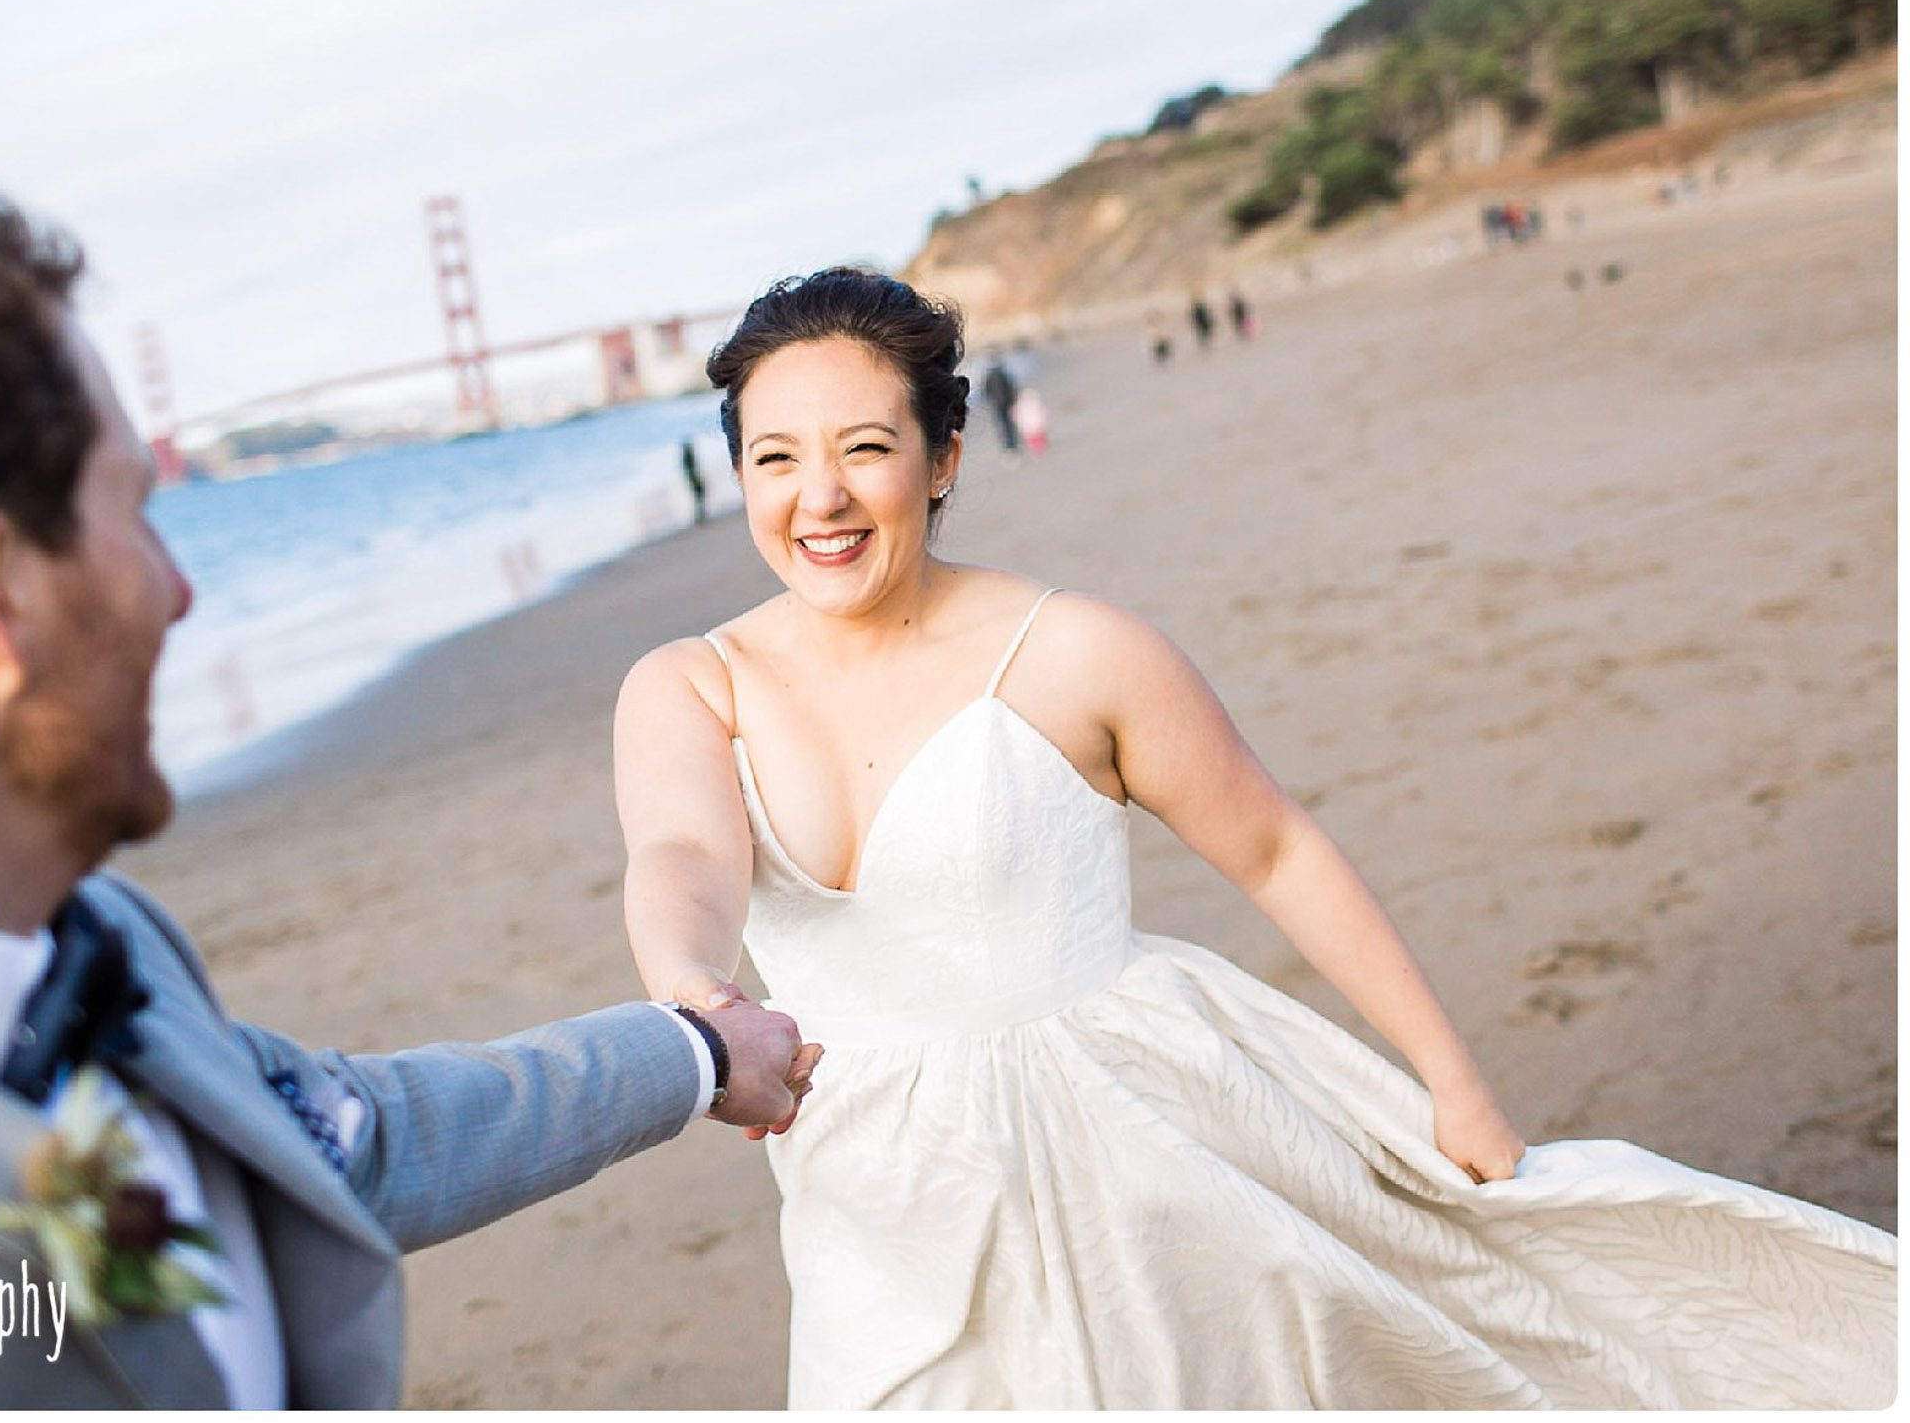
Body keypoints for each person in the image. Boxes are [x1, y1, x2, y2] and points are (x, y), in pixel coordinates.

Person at [0, 183, 817, 1407]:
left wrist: (695, 1053)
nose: (179, 590)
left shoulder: (105, 942)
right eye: (136, 513)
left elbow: (354, 1141)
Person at [610, 265, 1895, 1408]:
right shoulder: (691, 682)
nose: (819, 497)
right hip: (874, 1189)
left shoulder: (1074, 650)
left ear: (944, 457)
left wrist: (1457, 1086)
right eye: (775, 458)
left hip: (1139, 1144)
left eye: (864, 448)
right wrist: (692, 993)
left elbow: (1275, 848)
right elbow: (683, 858)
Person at [977, 353, 1018, 452]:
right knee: (1008, 424)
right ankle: (1012, 444)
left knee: (1003, 425)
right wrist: (1012, 400)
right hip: (1006, 403)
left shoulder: (989, 376)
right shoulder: (1003, 374)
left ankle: (1009, 445)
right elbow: (1011, 388)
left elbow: (985, 391)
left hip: (997, 404)